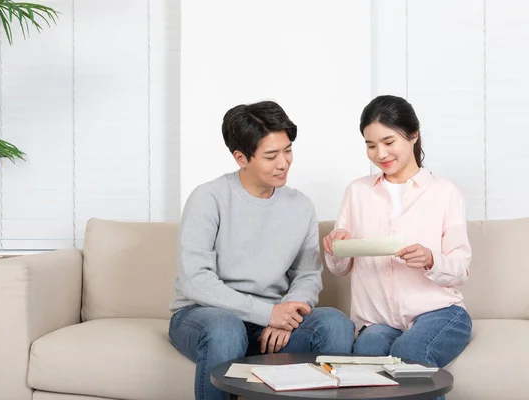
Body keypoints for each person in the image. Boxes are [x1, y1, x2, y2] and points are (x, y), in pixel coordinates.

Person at [169, 100, 355, 400]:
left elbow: (307, 274)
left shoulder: (301, 205)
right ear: (241, 158)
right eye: (271, 156)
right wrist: (269, 314)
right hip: (205, 315)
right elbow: (196, 281)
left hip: (270, 322)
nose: (283, 163)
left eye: (288, 150)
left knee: (335, 324)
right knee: (225, 330)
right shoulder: (208, 198)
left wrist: (289, 311)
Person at [324, 95, 472, 399]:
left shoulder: (444, 193)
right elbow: (339, 268)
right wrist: (336, 247)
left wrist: (432, 259)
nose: (380, 154)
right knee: (365, 362)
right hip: (376, 320)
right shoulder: (357, 192)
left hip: (438, 312)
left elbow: (461, 268)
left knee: (410, 351)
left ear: (413, 135)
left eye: (389, 141)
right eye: (371, 145)